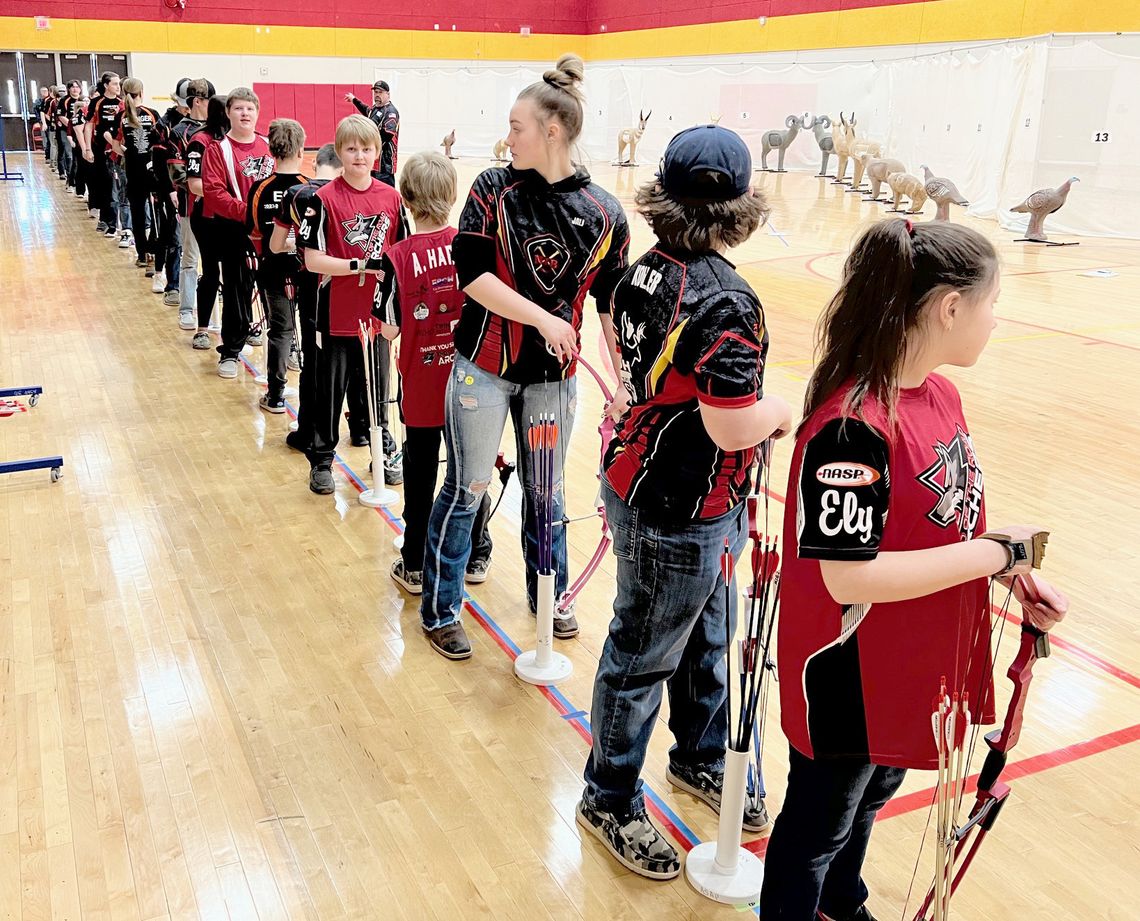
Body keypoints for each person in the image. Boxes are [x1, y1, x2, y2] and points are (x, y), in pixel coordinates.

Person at [758, 219, 1070, 921]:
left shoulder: (939, 394)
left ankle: (842, 901)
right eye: (991, 302)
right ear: (949, 307)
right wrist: (999, 552)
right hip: (847, 673)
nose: (996, 319)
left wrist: (1009, 570)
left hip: (909, 663)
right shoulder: (853, 425)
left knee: (870, 798)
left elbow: (939, 520)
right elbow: (849, 577)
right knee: (817, 828)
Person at [577, 124, 791, 879]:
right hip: (676, 503)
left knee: (706, 632)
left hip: (663, 485)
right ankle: (607, 793)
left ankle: (700, 755)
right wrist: (781, 412)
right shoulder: (729, 300)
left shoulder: (644, 268)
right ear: (739, 208)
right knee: (643, 651)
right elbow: (731, 420)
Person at [418, 54, 630, 660]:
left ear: (552, 132)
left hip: (552, 382)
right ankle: (441, 606)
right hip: (482, 370)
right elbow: (474, 278)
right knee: (468, 486)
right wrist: (544, 318)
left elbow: (612, 311)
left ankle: (550, 595)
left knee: (546, 493)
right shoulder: (491, 189)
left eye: (518, 126)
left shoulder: (606, 214)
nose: (507, 136)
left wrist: (623, 384)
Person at [373, 151, 495, 594]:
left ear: (405, 199)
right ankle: (476, 554)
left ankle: (416, 564)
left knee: (421, 473)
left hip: (422, 384)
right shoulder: (471, 245)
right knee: (469, 471)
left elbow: (388, 328)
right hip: (471, 380)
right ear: (453, 195)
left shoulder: (397, 256)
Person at [294, 115, 405, 495]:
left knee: (377, 391)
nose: (359, 155)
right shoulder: (322, 199)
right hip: (335, 315)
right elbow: (312, 260)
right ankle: (322, 460)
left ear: (377, 153)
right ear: (339, 152)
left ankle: (381, 454)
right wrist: (360, 265)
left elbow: (401, 254)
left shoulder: (392, 198)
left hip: (376, 316)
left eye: (367, 148)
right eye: (352, 148)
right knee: (329, 393)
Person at [271, 142, 342, 454]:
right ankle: (362, 430)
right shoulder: (348, 194)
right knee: (351, 363)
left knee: (314, 363)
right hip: (348, 291)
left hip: (313, 289)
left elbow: (275, 245)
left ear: (315, 164)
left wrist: (299, 248)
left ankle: (310, 432)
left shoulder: (298, 194)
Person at [201, 87, 275, 377]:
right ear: (229, 113)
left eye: (250, 109)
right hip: (235, 230)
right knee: (236, 290)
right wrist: (249, 213)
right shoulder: (217, 150)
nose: (245, 113)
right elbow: (214, 194)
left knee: (276, 290)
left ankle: (286, 346)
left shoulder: (270, 146)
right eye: (239, 108)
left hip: (271, 233)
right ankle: (231, 350)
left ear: (257, 113)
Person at [246, 117, 306, 413]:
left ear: (271, 150)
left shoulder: (260, 188)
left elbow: (254, 231)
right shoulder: (310, 188)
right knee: (308, 328)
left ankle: (276, 396)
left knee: (279, 331)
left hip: (272, 270)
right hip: (307, 272)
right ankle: (310, 395)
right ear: (301, 150)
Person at [167, 79, 216, 332]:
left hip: (221, 210)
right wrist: (210, 189)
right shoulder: (179, 132)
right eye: (210, 100)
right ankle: (187, 309)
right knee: (191, 258)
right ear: (197, 101)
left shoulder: (218, 131)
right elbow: (177, 175)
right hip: (192, 207)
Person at [110, 77, 163, 275]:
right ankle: (154, 252)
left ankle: (142, 255)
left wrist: (131, 155)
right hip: (152, 169)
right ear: (141, 92)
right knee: (156, 213)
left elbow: (116, 145)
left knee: (138, 213)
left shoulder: (121, 116)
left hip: (132, 169)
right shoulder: (153, 114)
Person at [86, 71, 132, 246]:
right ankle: (108, 222)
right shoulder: (96, 103)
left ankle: (116, 224)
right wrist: (87, 148)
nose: (117, 87)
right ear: (106, 85)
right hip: (101, 149)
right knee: (106, 186)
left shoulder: (122, 104)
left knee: (118, 188)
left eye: (119, 84)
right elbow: (89, 125)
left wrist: (118, 147)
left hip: (116, 150)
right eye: (114, 84)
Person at [344, 81, 399, 186]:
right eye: (376, 92)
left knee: (386, 194)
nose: (377, 95)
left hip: (385, 164)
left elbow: (387, 134)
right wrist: (354, 100)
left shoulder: (391, 112)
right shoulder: (374, 108)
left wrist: (366, 142)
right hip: (373, 160)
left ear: (388, 94)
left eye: (380, 92)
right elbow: (367, 111)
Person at [60, 80, 88, 199]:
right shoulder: (64, 101)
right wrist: (73, 127)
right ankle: (71, 182)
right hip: (68, 131)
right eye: (73, 87)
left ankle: (78, 184)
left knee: (80, 162)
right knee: (70, 157)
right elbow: (61, 116)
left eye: (77, 87)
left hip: (84, 133)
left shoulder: (84, 101)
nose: (75, 89)